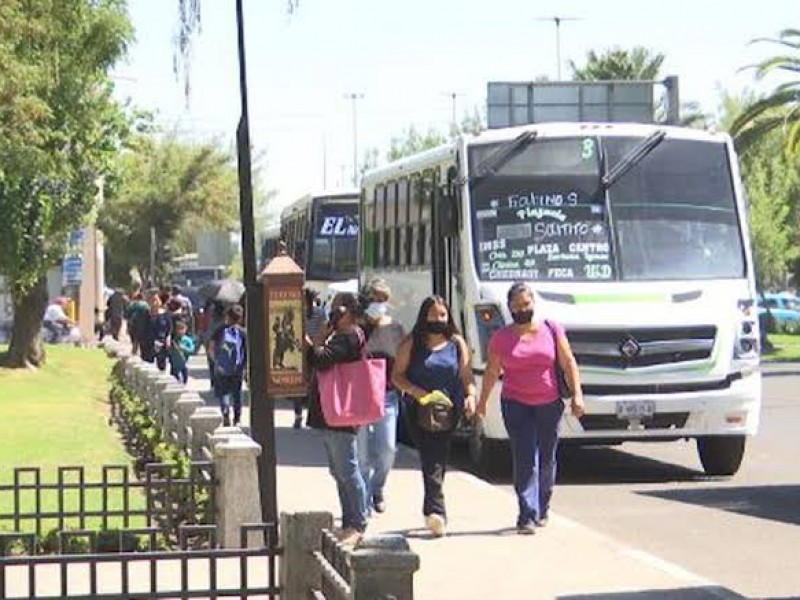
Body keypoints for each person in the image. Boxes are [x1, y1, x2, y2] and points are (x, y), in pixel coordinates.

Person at [476, 282, 585, 534]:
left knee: (546, 459)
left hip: (549, 403)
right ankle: (526, 513)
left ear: (533, 303)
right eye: (516, 306)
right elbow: (492, 372)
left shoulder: (551, 329)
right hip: (516, 404)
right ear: (509, 308)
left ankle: (542, 506)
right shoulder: (501, 338)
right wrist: (482, 402)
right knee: (525, 458)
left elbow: (568, 363)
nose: (521, 310)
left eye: (525, 305)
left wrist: (577, 395)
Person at [392, 295, 475, 538]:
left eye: (442, 315)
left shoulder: (456, 344)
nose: (438, 319)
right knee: (431, 457)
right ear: (423, 316)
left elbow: (466, 376)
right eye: (433, 315)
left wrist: (470, 396)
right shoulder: (412, 344)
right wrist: (418, 393)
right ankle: (437, 512)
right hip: (419, 409)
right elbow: (397, 376)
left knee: (437, 456)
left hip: (448, 409)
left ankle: (433, 509)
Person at [304, 292, 369, 545]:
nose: (332, 314)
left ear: (347, 313)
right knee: (339, 470)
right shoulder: (341, 336)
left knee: (347, 469)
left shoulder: (350, 337)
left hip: (342, 411)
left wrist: (311, 341)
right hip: (333, 412)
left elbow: (320, 359)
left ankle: (358, 522)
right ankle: (349, 519)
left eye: (336, 311)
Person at [357, 279, 405, 514]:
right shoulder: (357, 329)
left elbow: (404, 359)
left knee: (387, 449)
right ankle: (364, 497)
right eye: (375, 299)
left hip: (387, 396)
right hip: (359, 397)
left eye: (383, 300)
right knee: (361, 452)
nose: (379, 304)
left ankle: (377, 487)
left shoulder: (396, 329)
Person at [209, 304, 247, 427]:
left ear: (227, 316)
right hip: (237, 368)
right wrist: (244, 366)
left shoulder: (220, 330)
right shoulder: (243, 332)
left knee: (223, 392)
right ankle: (237, 418)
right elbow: (246, 351)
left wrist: (216, 362)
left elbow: (211, 347)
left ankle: (225, 411)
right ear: (240, 318)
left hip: (221, 367)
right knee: (237, 393)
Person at [294, 288, 327, 429]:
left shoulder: (298, 311)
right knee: (315, 384)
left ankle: (298, 415)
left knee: (298, 385)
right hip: (315, 350)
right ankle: (314, 415)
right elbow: (324, 329)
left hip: (300, 349)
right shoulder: (320, 312)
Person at [142, 294, 172, 371]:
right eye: (152, 300)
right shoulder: (146, 314)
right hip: (149, 342)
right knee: (148, 365)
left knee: (161, 365)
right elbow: (143, 329)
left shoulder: (165, 314)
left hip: (162, 342)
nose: (154, 302)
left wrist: (168, 337)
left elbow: (169, 328)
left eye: (156, 300)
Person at [168, 319, 196, 384]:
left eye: (182, 329)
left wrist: (184, 348)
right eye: (178, 329)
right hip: (174, 362)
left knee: (184, 373)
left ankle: (184, 383)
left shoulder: (187, 340)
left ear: (185, 329)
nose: (180, 331)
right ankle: (178, 381)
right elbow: (169, 351)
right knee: (174, 376)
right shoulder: (174, 340)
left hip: (184, 362)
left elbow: (192, 350)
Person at [125, 291, 150, 356]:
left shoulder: (132, 304)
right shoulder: (146, 305)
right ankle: (140, 355)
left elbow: (126, 315)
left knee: (134, 341)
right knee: (142, 343)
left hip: (133, 326)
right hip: (143, 326)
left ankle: (134, 354)